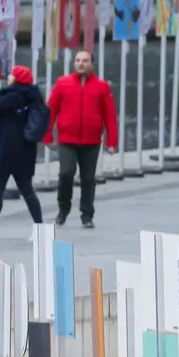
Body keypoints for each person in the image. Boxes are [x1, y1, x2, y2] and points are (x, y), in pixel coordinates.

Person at [42, 49, 118, 228]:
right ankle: (63, 209)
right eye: (77, 60)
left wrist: (112, 141)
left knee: (88, 178)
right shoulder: (62, 83)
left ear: (92, 64)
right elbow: (51, 110)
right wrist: (46, 135)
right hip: (67, 139)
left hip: (91, 140)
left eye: (84, 61)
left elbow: (110, 115)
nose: (81, 63)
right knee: (66, 173)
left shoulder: (102, 86)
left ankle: (87, 214)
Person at [0, 65, 46, 233]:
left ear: (17, 78)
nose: (9, 77)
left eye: (12, 75)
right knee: (27, 190)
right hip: (23, 152)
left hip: (5, 152)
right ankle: (40, 229)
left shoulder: (15, 96)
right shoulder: (30, 96)